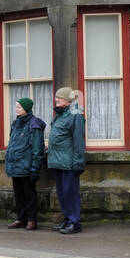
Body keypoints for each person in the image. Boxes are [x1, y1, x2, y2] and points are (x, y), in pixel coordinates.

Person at [46, 86, 86, 235]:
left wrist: (78, 162)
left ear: (68, 101)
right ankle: (68, 218)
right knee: (63, 193)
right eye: (56, 97)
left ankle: (75, 222)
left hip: (69, 162)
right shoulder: (60, 115)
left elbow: (78, 142)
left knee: (70, 193)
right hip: (58, 161)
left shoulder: (75, 115)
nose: (56, 100)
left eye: (60, 98)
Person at [5, 97, 46, 229]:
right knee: (19, 194)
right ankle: (21, 218)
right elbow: (13, 142)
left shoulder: (33, 125)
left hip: (26, 165)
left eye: (19, 107)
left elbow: (37, 148)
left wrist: (35, 167)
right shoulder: (15, 123)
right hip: (15, 165)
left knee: (29, 194)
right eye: (16, 106)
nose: (16, 109)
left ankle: (31, 220)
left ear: (26, 109)